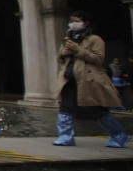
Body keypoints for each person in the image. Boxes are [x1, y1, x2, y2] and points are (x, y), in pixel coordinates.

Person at [52, 11, 129, 147]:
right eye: (71, 21)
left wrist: (78, 50)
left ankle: (118, 135)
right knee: (65, 109)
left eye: (76, 20)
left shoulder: (95, 39)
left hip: (88, 81)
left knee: (98, 112)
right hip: (69, 80)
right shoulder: (68, 38)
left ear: (86, 22)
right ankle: (65, 137)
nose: (72, 24)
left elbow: (98, 59)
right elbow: (60, 59)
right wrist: (63, 53)